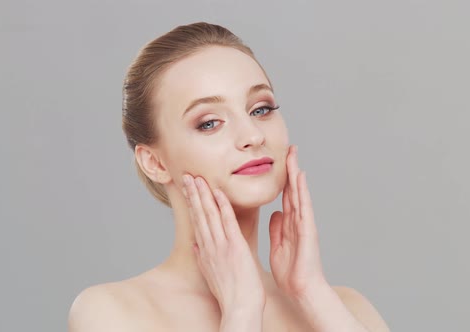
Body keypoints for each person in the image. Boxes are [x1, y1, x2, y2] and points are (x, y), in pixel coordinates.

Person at [67, 22, 391, 332]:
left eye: (260, 109)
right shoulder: (112, 312)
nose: (252, 135)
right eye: (209, 123)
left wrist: (311, 293)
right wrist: (241, 310)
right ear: (155, 163)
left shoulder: (348, 308)